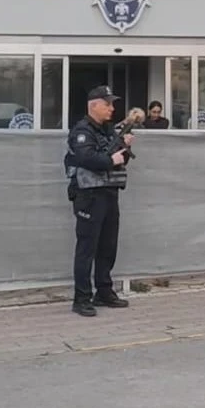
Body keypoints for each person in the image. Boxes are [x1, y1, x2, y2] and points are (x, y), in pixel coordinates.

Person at [65, 86, 135, 317]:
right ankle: (81, 298)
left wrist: (125, 147)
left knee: (108, 246)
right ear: (94, 105)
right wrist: (110, 159)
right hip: (89, 195)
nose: (112, 108)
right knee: (87, 248)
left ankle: (104, 291)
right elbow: (86, 157)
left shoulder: (107, 130)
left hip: (108, 193)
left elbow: (119, 160)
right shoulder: (82, 131)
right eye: (107, 104)